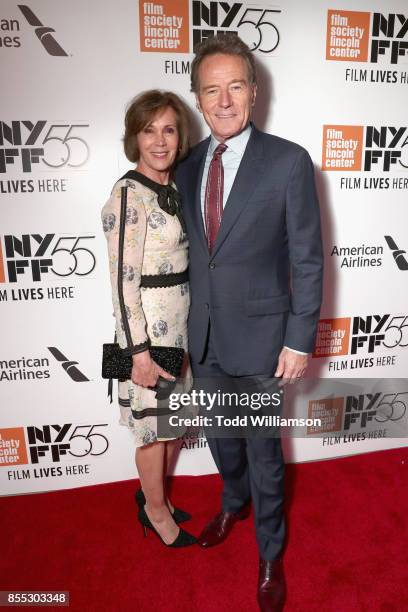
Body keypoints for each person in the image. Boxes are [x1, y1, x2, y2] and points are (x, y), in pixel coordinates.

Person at [176, 35, 323, 609]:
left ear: (254, 93)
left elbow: (307, 259)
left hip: (265, 346)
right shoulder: (187, 167)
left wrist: (297, 338)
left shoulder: (287, 161)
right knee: (222, 443)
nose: (224, 100)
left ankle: (269, 552)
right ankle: (231, 505)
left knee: (264, 453)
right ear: (198, 99)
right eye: (211, 90)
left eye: (235, 85)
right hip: (205, 340)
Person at [101, 90, 196, 548]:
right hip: (146, 337)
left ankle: (155, 497)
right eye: (148, 129)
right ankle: (155, 511)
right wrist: (137, 353)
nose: (159, 141)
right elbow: (122, 284)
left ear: (180, 137)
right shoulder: (127, 195)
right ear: (134, 138)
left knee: (171, 427)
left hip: (177, 332)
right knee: (152, 435)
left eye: (169, 129)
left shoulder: (172, 187)